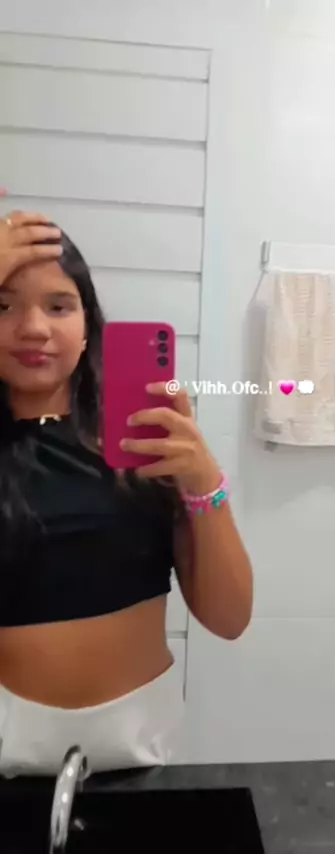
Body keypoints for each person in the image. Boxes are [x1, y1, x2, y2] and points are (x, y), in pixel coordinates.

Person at [0, 205, 253, 777]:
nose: (34, 327)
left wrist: (205, 484)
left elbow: (230, 618)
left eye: (58, 306)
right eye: (4, 306)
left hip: (139, 747)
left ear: (88, 323)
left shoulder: (142, 440)